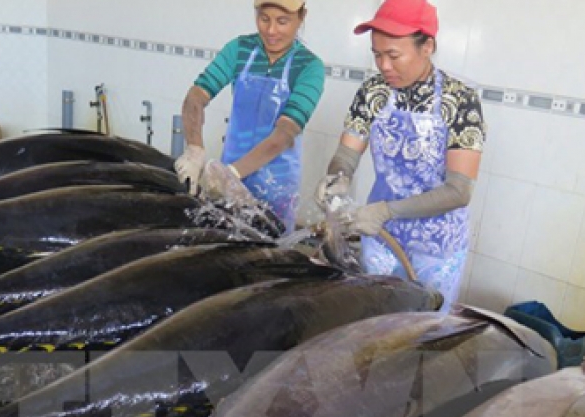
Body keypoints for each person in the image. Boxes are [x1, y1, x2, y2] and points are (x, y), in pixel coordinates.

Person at [316, 0, 486, 312]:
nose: (383, 65)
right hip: (381, 240)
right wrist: (337, 179)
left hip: (436, 247)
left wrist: (386, 211)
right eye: (377, 54)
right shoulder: (372, 93)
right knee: (378, 323)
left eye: (393, 55)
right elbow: (346, 154)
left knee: (424, 333)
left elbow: (459, 191)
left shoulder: (460, 100)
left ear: (427, 47)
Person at [174, 0, 325, 233]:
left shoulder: (309, 67)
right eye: (264, 19)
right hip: (227, 188)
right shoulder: (240, 49)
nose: (271, 30)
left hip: (276, 192)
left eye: (282, 21)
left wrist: (231, 175)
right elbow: (195, 98)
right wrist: (195, 149)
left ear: (301, 17)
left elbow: (283, 135)